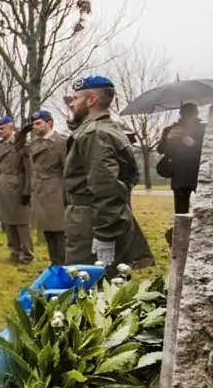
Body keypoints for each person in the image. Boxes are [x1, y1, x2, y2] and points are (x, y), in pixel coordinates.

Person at [64, 76, 154, 271]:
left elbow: (106, 187)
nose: (71, 103)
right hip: (95, 218)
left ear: (91, 100)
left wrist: (105, 234)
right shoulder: (107, 128)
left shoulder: (94, 134)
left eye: (76, 98)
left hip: (91, 221)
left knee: (87, 285)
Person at [0, 117, 33, 264]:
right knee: (9, 221)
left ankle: (27, 254)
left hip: (18, 185)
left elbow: (29, 168)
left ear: (11, 128)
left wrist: (27, 190)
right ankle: (14, 252)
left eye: (2, 129)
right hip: (3, 186)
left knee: (21, 222)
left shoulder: (21, 142)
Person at [20, 111, 68, 265]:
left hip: (55, 190)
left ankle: (63, 265)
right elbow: (18, 149)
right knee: (48, 233)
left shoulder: (61, 142)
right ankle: (54, 263)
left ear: (50, 123)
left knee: (59, 233)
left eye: (38, 123)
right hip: (39, 191)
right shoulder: (34, 143)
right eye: (33, 124)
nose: (35, 127)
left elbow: (68, 169)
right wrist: (23, 133)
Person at [157, 102, 206, 214]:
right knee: (185, 212)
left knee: (183, 212)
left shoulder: (203, 129)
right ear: (197, 113)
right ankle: (184, 230)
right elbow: (160, 150)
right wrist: (168, 138)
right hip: (183, 175)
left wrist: (189, 141)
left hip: (196, 174)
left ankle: (183, 230)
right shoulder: (171, 129)